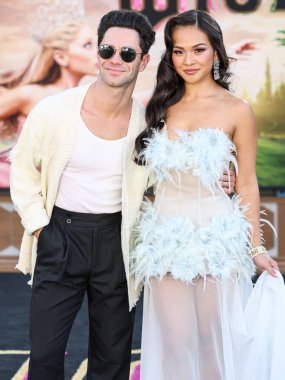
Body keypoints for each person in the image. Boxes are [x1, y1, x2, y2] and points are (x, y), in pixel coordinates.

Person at [130, 10, 285, 380]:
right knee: (176, 342)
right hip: (164, 239)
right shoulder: (159, 106)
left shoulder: (238, 110)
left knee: (213, 341)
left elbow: (246, 182)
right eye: (179, 51)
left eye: (198, 50)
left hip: (217, 238)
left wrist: (256, 248)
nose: (188, 60)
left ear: (216, 52)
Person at [10, 9, 155, 380]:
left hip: (117, 242)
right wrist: (42, 227)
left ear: (144, 61)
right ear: (98, 54)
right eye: (107, 50)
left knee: (112, 358)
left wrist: (218, 180)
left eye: (127, 54)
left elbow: (160, 184)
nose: (114, 60)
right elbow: (23, 171)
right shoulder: (54, 111)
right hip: (60, 235)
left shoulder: (149, 123)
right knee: (44, 355)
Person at [0, 18, 98, 187]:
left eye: (98, 44)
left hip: (61, 196)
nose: (99, 52)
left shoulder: (86, 99)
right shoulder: (31, 94)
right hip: (14, 188)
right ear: (61, 57)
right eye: (87, 45)